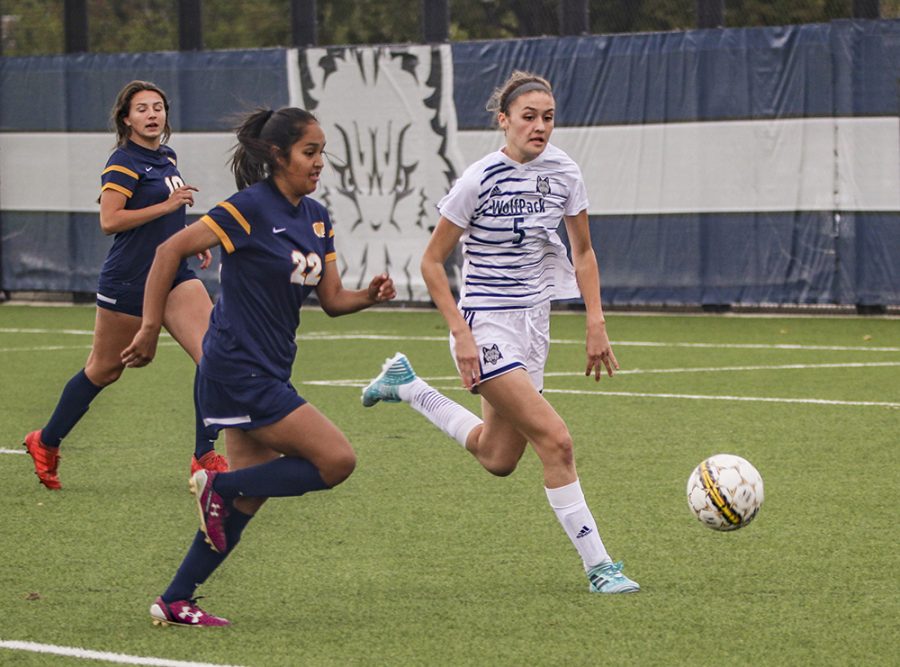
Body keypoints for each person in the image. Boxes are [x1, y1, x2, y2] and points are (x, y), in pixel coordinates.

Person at [362, 71, 639, 594]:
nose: (539, 127)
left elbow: (582, 252)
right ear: (503, 121)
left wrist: (595, 320)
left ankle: (407, 386)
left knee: (497, 457)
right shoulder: (478, 180)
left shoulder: (565, 173)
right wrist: (461, 334)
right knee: (556, 441)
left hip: (534, 325)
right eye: (528, 117)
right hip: (485, 325)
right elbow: (430, 262)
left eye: (548, 117)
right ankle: (600, 566)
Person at [121, 106, 396, 626]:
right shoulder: (247, 208)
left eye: (321, 153)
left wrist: (370, 296)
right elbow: (167, 253)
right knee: (336, 461)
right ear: (277, 155)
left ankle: (176, 599)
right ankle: (215, 487)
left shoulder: (317, 217)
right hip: (237, 368)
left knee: (248, 499)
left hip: (267, 369)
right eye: (309, 152)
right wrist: (149, 327)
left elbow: (333, 300)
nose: (319, 162)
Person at [22, 80, 227, 491]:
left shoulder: (166, 156)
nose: (152, 115)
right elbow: (110, 221)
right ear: (126, 119)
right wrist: (169, 206)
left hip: (174, 277)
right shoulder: (122, 162)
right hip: (130, 279)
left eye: (158, 108)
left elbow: (166, 218)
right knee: (104, 369)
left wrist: (188, 240)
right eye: (142, 109)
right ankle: (45, 441)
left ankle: (204, 456)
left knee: (216, 356)